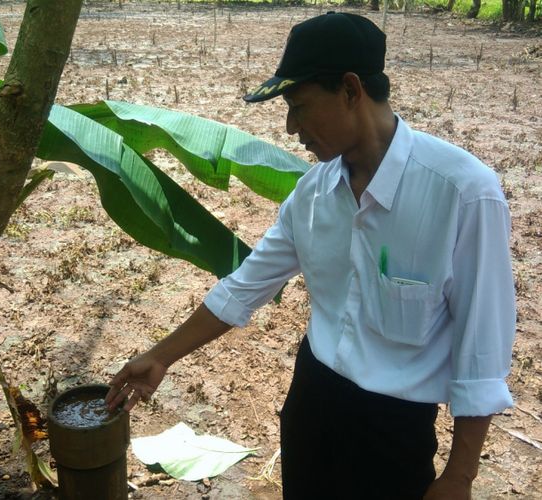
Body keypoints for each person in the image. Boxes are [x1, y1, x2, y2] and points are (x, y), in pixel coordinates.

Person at [105, 11, 515, 500]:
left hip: (394, 431)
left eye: (299, 106)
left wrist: (458, 477)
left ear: (349, 90)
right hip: (312, 401)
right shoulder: (313, 193)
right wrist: (160, 356)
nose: (290, 126)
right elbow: (245, 286)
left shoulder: (462, 193)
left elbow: (481, 347)